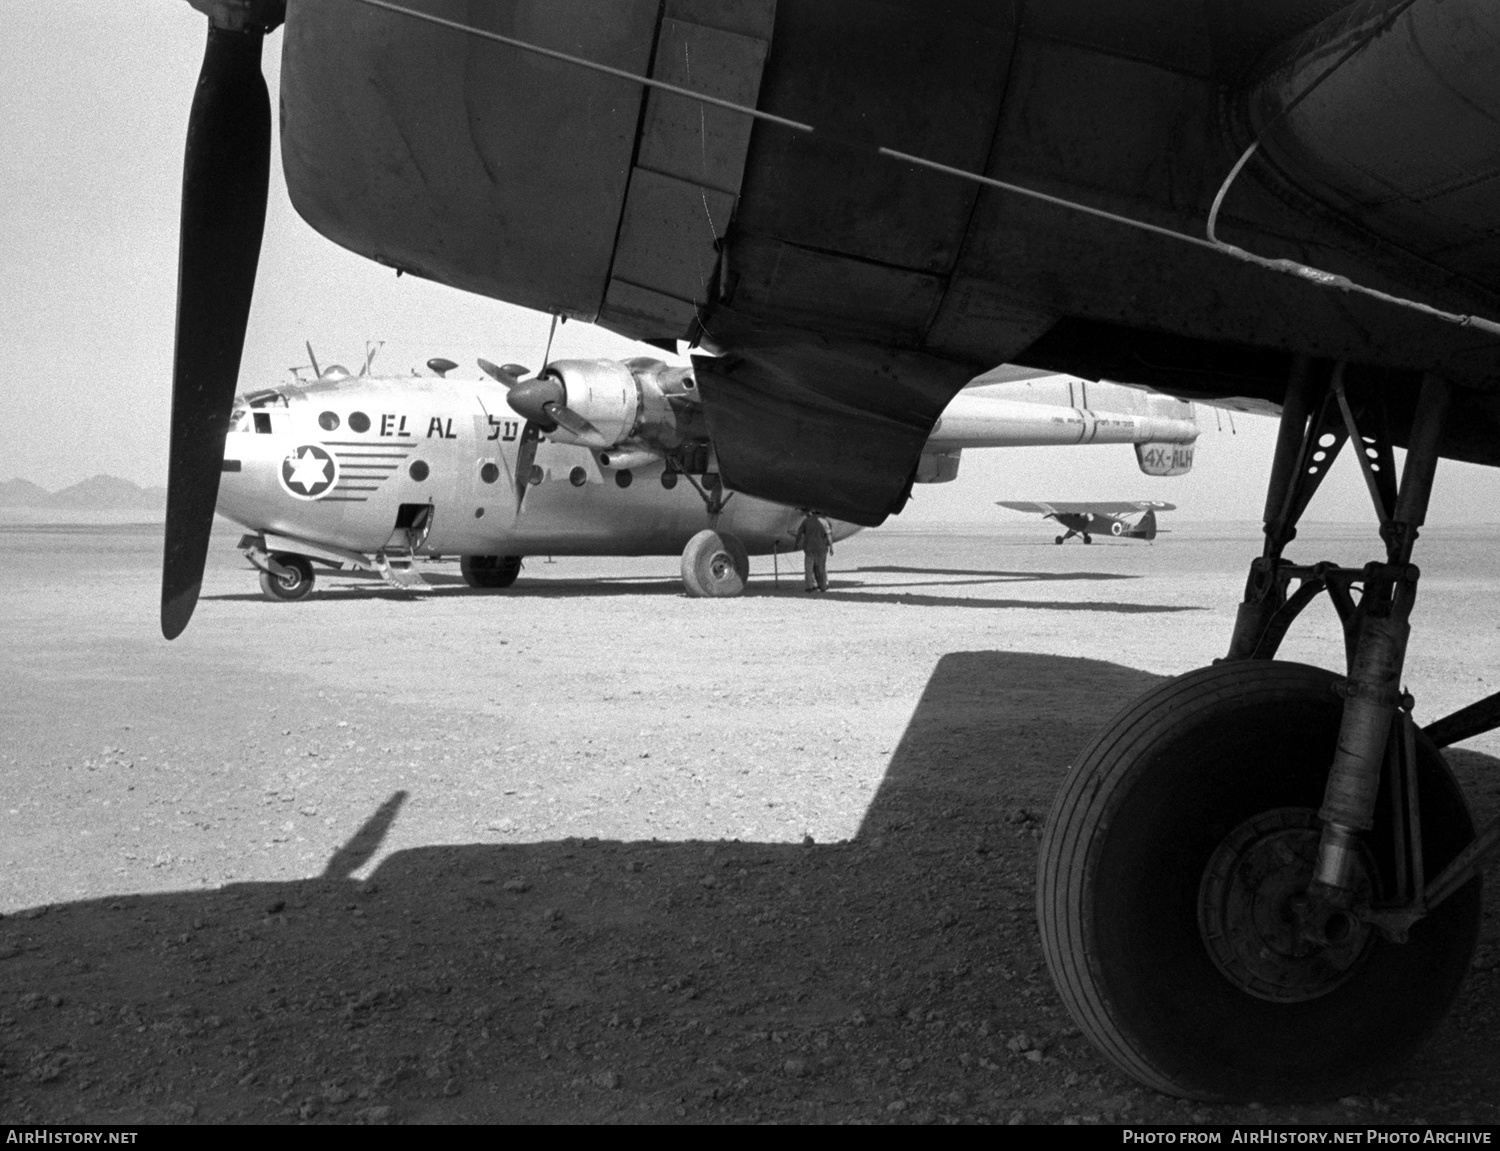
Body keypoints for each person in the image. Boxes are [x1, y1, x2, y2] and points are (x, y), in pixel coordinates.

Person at [794, 509, 831, 592]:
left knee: (809, 568)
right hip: (821, 549)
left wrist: (796, 544)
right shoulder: (825, 522)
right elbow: (829, 535)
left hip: (809, 549)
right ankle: (824, 585)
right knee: (821, 567)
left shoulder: (806, 521)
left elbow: (799, 533)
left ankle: (810, 586)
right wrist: (830, 546)